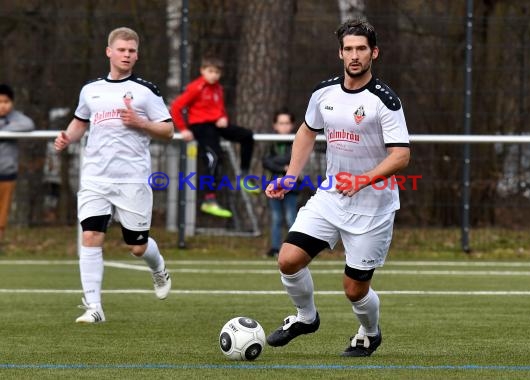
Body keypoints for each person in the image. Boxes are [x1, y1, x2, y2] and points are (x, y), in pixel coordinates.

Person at [264, 18, 410, 357]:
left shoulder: (384, 101)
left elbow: (401, 156)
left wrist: (362, 179)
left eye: (361, 48)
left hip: (373, 205)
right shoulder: (323, 92)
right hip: (331, 197)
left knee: (354, 290)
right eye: (348, 49)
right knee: (288, 260)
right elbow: (306, 131)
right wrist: (290, 176)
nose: (355, 55)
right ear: (340, 53)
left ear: (374, 52)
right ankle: (305, 317)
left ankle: (370, 333)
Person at [54, 27, 173, 323]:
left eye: (132, 51)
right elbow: (80, 121)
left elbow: (169, 130)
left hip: (132, 178)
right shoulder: (91, 90)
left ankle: (158, 268)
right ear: (109, 51)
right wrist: (67, 137)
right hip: (95, 178)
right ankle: (93, 308)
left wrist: (141, 123)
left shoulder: (146, 91)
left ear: (137, 55)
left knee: (137, 246)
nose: (127, 55)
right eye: (121, 50)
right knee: (91, 236)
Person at [170, 56, 259, 219]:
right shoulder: (196, 87)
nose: (214, 75)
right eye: (210, 71)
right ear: (202, 71)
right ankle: (209, 200)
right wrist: (183, 129)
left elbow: (219, 108)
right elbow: (176, 107)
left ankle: (244, 176)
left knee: (247, 136)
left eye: (217, 72)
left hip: (216, 125)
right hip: (201, 127)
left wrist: (223, 117)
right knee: (214, 157)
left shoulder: (218, 88)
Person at [0, 84, 35, 243]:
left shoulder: (15, 118)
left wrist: (5, 129)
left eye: (6, 101)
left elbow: (28, 124)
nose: (2, 105)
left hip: (7, 174)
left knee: (2, 215)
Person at [262, 108, 298, 257]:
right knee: (276, 218)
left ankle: (295, 249)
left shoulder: (296, 141)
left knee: (291, 218)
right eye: (280, 123)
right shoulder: (271, 142)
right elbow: (266, 161)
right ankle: (275, 248)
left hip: (292, 187)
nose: (284, 126)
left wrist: (282, 163)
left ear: (292, 125)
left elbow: (294, 159)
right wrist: (282, 166)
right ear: (275, 125)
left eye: (287, 123)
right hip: (273, 185)